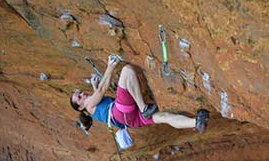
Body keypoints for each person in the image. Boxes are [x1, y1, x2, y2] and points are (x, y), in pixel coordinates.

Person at [71, 56, 208, 133]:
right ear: (81, 107)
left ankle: (196, 122)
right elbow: (101, 91)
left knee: (165, 117)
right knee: (127, 71)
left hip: (131, 119)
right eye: (79, 97)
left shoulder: (91, 107)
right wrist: (110, 66)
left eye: (80, 92)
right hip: (122, 113)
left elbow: (98, 93)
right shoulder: (89, 105)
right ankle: (144, 109)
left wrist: (95, 86)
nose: (82, 94)